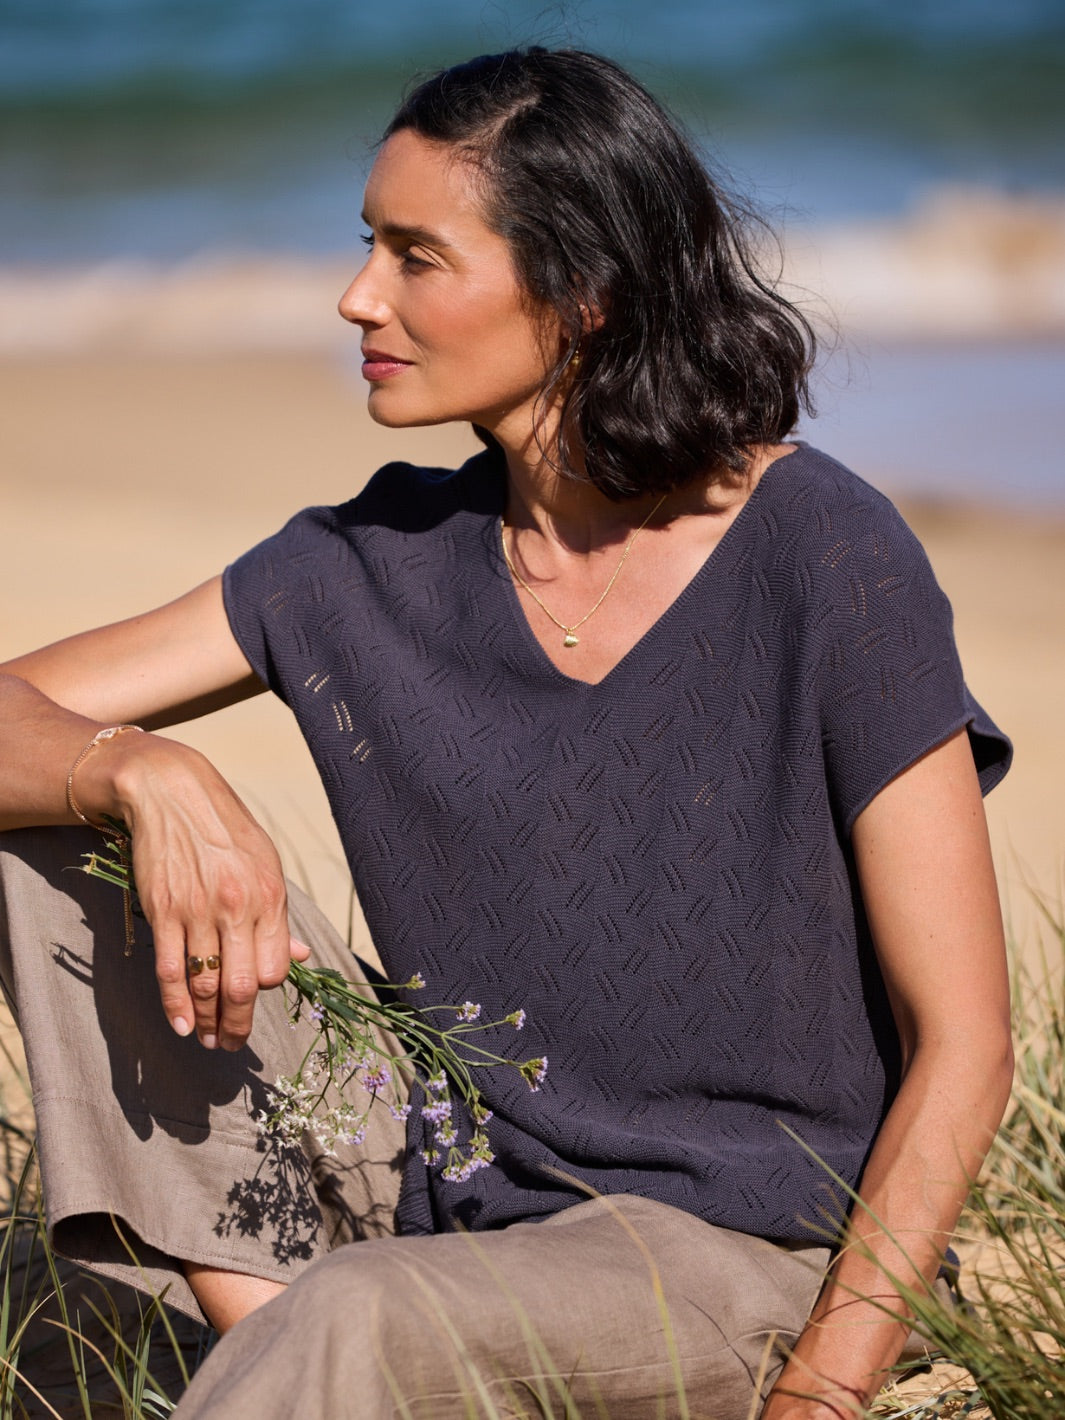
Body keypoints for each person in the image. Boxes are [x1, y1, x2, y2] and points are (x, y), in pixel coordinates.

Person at [0, 47, 1013, 1420]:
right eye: (368, 244)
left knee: (370, 1311)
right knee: (55, 829)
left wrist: (821, 1397)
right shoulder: (363, 562)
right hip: (426, 1181)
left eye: (418, 256)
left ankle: (309, 1357)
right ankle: (277, 1343)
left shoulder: (822, 552)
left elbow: (963, 1041)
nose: (359, 295)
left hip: (734, 1253)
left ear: (581, 295)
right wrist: (138, 768)